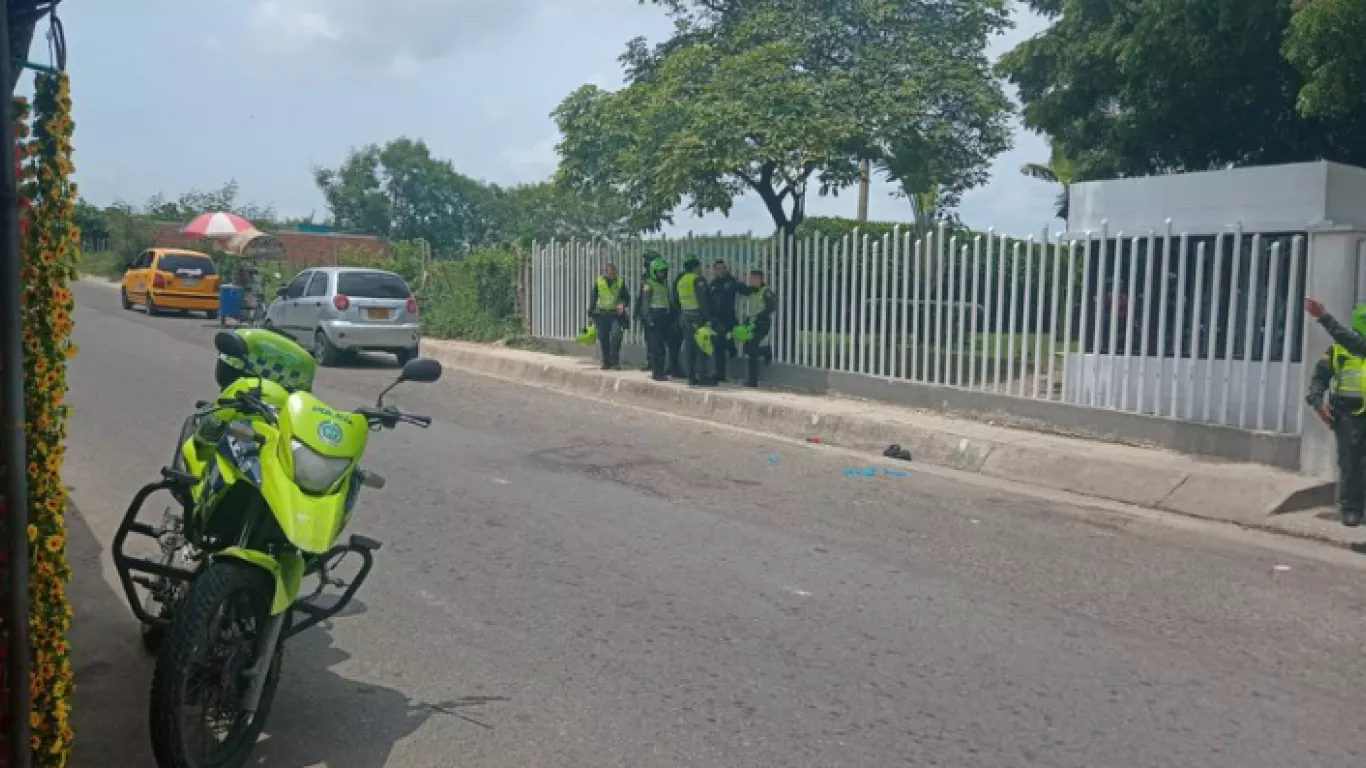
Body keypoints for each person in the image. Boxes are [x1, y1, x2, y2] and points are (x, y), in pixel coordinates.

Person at [1305, 297, 1366, 526]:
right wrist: (1317, 402)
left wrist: (1323, 316)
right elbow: (1319, 378)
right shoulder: (1339, 350)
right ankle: (1352, 509)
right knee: (1350, 462)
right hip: (1347, 413)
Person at [673, 257, 714, 386]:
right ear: (695, 267)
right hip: (697, 316)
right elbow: (703, 300)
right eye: (700, 266)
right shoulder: (697, 279)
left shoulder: (680, 280)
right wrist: (707, 318)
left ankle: (691, 376)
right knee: (701, 345)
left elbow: (675, 300)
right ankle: (702, 376)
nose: (701, 269)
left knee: (689, 346)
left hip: (685, 316)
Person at [736, 269, 777, 388]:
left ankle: (766, 351)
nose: (751, 281)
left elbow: (771, 307)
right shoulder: (754, 291)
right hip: (753, 323)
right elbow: (743, 290)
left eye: (753, 279)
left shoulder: (766, 291)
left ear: (760, 279)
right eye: (750, 279)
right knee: (748, 349)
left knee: (751, 348)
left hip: (762, 323)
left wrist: (758, 316)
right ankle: (752, 380)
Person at [636, 255, 675, 381]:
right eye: (660, 271)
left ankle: (662, 370)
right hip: (654, 317)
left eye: (664, 271)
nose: (662, 274)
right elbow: (645, 303)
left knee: (663, 346)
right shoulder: (648, 284)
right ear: (654, 272)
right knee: (656, 347)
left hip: (664, 316)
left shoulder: (664, 284)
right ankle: (657, 372)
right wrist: (649, 319)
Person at [587, 262, 630, 370]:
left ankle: (615, 361)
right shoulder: (598, 282)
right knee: (603, 338)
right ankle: (606, 362)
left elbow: (626, 298)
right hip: (601, 315)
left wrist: (622, 304)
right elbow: (593, 299)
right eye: (610, 274)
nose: (613, 276)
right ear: (605, 273)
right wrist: (591, 314)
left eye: (614, 273)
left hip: (615, 314)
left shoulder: (620, 282)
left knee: (616, 336)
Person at [708, 259, 742, 382]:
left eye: (722, 268)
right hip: (717, 319)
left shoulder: (731, 281)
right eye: (718, 268)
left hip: (728, 318)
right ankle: (720, 373)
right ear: (714, 270)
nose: (720, 271)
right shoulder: (712, 284)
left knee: (727, 340)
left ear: (725, 269)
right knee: (718, 346)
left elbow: (742, 289)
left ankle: (732, 349)